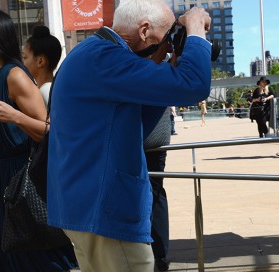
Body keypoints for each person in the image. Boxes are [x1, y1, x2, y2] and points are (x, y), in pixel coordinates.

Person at [46, 1, 212, 271]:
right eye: (167, 36)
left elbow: (136, 130)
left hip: (85, 208)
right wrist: (194, 29)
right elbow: (194, 84)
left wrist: (162, 68)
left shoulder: (93, 52)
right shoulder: (107, 58)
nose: (169, 45)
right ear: (144, 31)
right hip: (104, 212)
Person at [0, 9, 78, 271]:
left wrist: (15, 116)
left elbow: (49, 131)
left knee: (31, 260)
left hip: (22, 188)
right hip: (0, 190)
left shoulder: (14, 76)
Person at [144, 108, 171, 271]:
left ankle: (143, 249)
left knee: (132, 193)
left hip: (137, 138)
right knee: (156, 191)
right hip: (158, 137)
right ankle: (160, 254)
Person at [22, 25, 62, 108]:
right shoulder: (52, 88)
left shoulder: (46, 91)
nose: (22, 62)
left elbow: (52, 121)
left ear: (40, 61)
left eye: (25, 57)